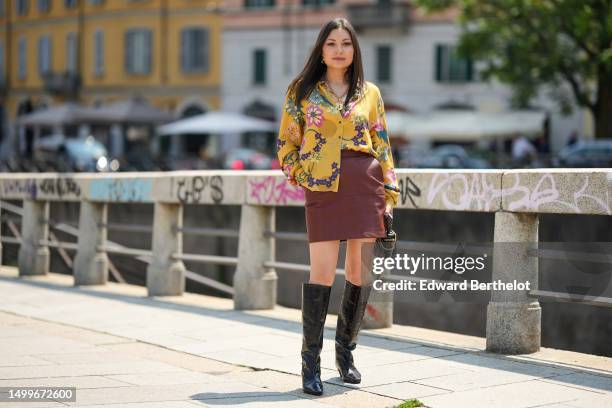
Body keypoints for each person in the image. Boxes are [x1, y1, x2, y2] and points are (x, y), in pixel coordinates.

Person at [276, 18, 399, 396]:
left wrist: (390, 195)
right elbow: (286, 145)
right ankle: (308, 364)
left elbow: (383, 146)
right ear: (321, 49)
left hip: (365, 185)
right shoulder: (302, 91)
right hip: (324, 189)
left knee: (359, 275)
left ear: (354, 50)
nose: (340, 49)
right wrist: (303, 175)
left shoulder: (370, 93)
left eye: (346, 43)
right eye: (332, 43)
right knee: (322, 274)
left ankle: (345, 353)